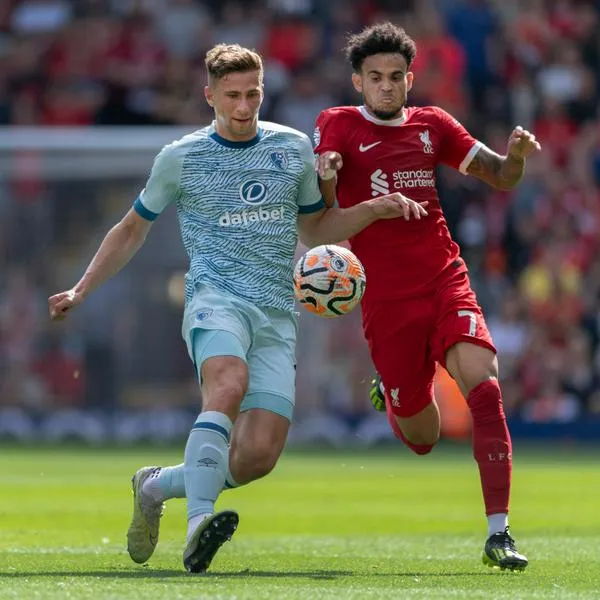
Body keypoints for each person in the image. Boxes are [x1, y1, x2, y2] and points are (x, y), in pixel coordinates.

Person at [48, 43, 427, 573]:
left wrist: (371, 209)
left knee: (255, 458)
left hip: (277, 310)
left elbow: (316, 228)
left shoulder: (292, 149)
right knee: (227, 383)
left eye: (253, 93)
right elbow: (132, 227)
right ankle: (199, 523)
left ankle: (156, 485)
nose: (244, 105)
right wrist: (81, 288)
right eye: (232, 96)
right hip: (214, 298)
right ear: (210, 96)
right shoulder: (180, 157)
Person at [314, 23, 541, 571]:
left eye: (396, 77)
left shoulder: (433, 125)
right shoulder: (336, 127)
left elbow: (501, 178)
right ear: (358, 81)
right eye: (376, 78)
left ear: (410, 79)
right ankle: (392, 396)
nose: (387, 87)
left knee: (485, 390)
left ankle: (499, 533)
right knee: (423, 435)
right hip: (387, 302)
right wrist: (330, 180)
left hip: (445, 279)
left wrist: (515, 158)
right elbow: (321, 227)